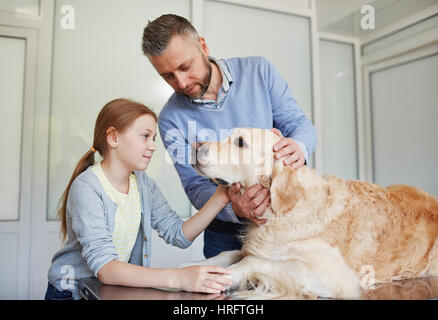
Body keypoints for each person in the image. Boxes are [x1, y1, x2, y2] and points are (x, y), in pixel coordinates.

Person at [142, 14, 317, 259]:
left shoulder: (259, 71)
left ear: (203, 46)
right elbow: (195, 186)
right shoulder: (171, 118)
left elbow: (299, 125)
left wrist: (299, 146)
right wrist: (235, 207)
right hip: (224, 234)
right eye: (167, 76)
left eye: (184, 67)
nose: (180, 82)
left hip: (284, 220)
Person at [45, 98, 232, 300]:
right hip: (69, 293)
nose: (152, 147)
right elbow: (106, 268)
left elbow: (178, 234)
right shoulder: (87, 187)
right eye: (145, 136)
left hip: (108, 292)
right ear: (113, 137)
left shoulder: (143, 184)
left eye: (154, 139)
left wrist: (221, 197)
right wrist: (179, 278)